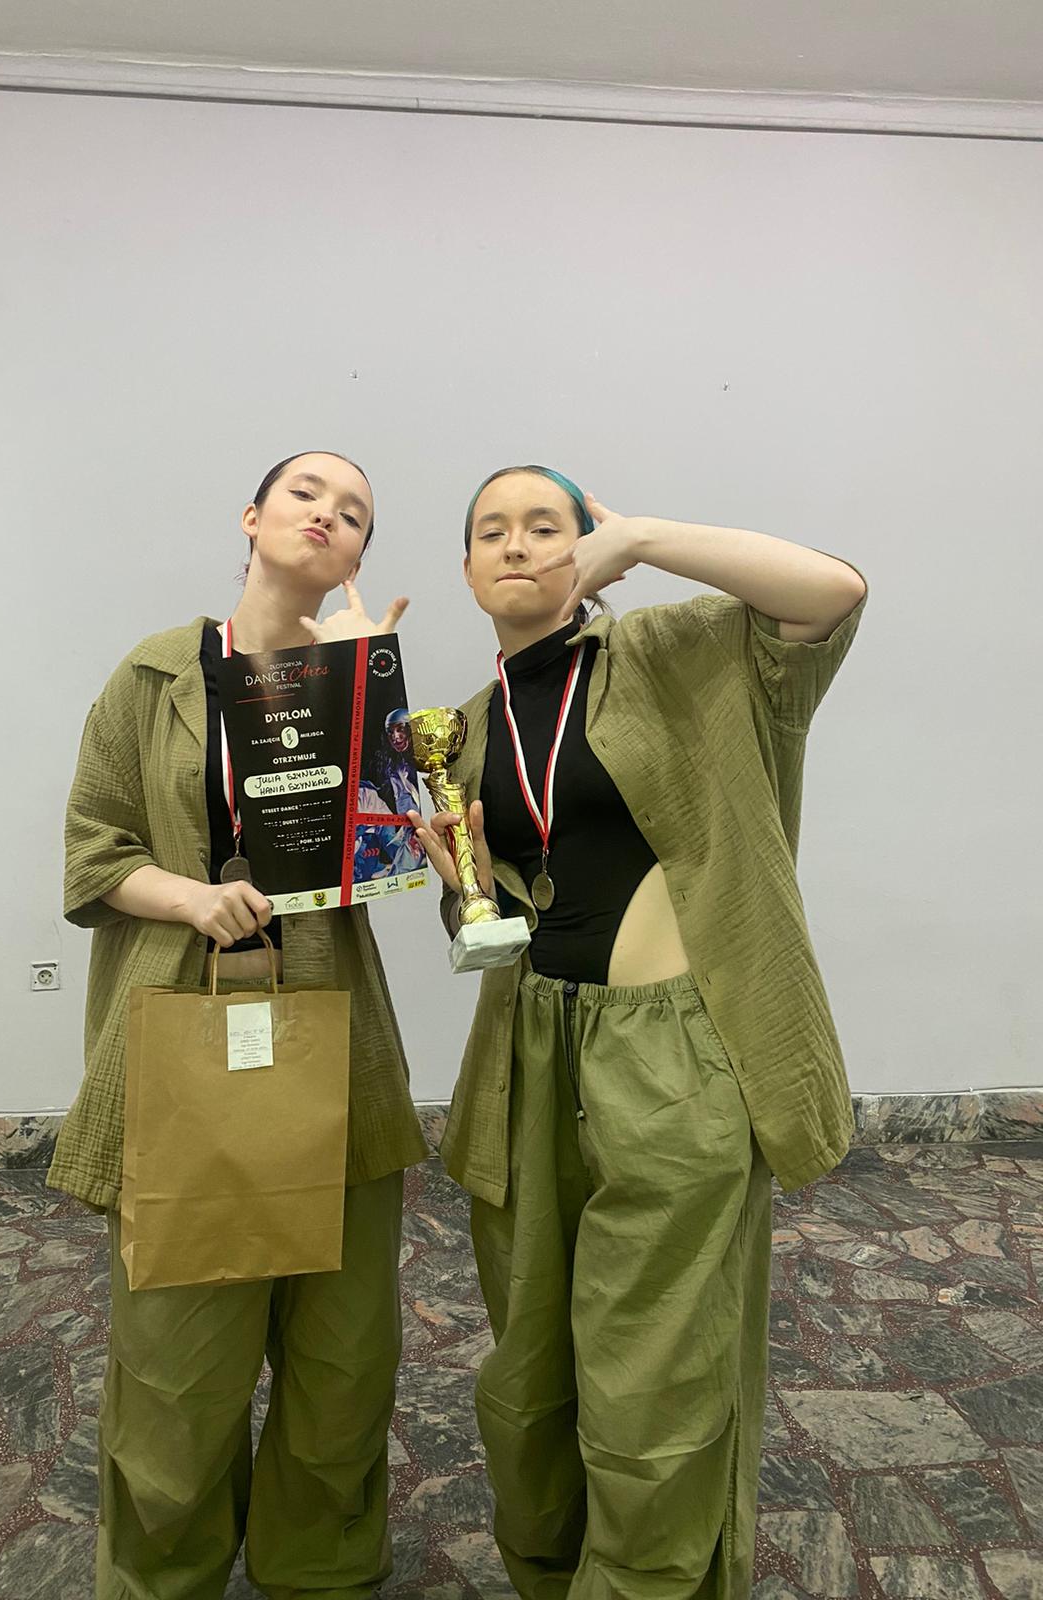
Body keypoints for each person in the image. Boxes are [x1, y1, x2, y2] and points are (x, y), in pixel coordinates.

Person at [408, 464, 866, 1600]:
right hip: (528, 1054)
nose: (517, 544)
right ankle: (553, 1574)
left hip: (672, 1057)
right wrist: (464, 893)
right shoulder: (464, 731)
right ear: (467, 570)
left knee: (653, 1373)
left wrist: (649, 536)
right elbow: (507, 921)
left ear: (588, 545)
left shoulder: (677, 653)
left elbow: (833, 592)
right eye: (492, 532)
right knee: (528, 1377)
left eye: (545, 525)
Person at [48, 451, 429, 1600]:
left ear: (357, 555)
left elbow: (389, 857)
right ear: (254, 516)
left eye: (353, 512)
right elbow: (94, 853)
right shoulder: (155, 676)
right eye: (307, 493)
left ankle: (322, 1569)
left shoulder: (358, 679)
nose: (328, 514)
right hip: (182, 1028)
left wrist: (371, 695)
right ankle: (162, 1575)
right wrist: (191, 896)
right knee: (177, 1363)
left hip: (334, 1038)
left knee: (343, 1357)